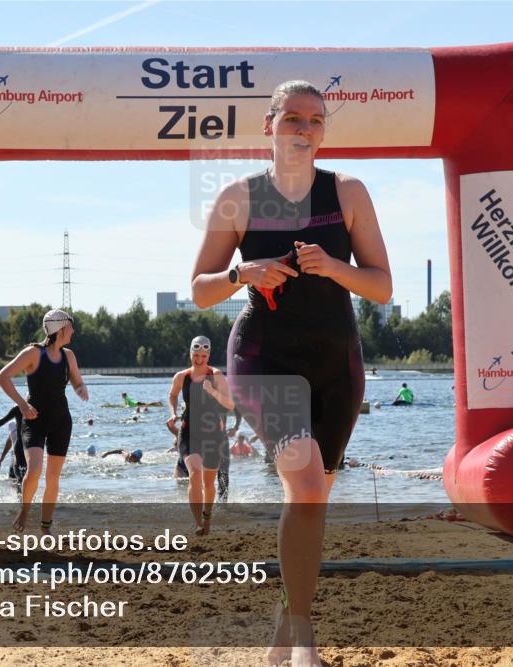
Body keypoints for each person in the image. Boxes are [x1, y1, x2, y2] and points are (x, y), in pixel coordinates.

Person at [189, 80, 392, 666]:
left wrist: (333, 266)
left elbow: (381, 284)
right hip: (262, 357)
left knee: (312, 499)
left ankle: (281, 638)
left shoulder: (348, 192)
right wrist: (242, 273)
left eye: (315, 120)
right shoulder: (238, 197)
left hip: (337, 363)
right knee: (304, 485)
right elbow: (201, 290)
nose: (304, 129)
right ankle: (305, 643)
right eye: (293, 118)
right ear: (269, 125)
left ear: (324, 131)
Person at [0, 309, 89, 533]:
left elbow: (77, 381)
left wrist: (81, 388)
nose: (73, 331)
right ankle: (25, 510)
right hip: (34, 420)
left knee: (53, 477)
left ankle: (46, 527)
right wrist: (22, 404)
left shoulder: (69, 356)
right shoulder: (33, 353)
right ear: (60, 328)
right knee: (35, 470)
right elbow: (2, 377)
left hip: (61, 422)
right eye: (71, 327)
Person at [166, 335, 235, 537]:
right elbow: (172, 395)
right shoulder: (182, 376)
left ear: (208, 355)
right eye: (196, 355)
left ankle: (207, 517)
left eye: (203, 356)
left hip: (213, 433)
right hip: (189, 432)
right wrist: (172, 412)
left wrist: (212, 391)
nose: (199, 360)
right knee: (194, 475)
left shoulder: (217, 375)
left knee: (208, 483)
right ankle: (197, 523)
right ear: (190, 354)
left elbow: (230, 405)